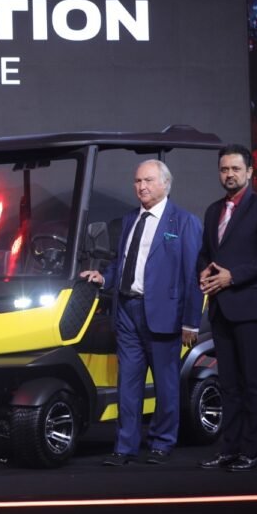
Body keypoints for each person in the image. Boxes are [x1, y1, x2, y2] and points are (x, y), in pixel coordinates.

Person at [80, 159, 203, 466]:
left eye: (148, 180)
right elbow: (120, 262)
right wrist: (104, 278)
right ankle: (125, 446)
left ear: (165, 184)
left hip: (165, 315)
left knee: (166, 384)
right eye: (137, 181)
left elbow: (193, 275)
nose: (141, 186)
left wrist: (191, 321)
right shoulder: (129, 220)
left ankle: (162, 442)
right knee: (128, 384)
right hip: (127, 311)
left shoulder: (184, 222)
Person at [198, 144, 257, 472]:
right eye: (224, 169)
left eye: (235, 169)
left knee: (253, 383)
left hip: (251, 307)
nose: (229, 174)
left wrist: (232, 277)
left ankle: (251, 452)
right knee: (228, 384)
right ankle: (229, 449)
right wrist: (203, 271)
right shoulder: (212, 211)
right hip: (221, 309)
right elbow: (206, 253)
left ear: (249, 172)